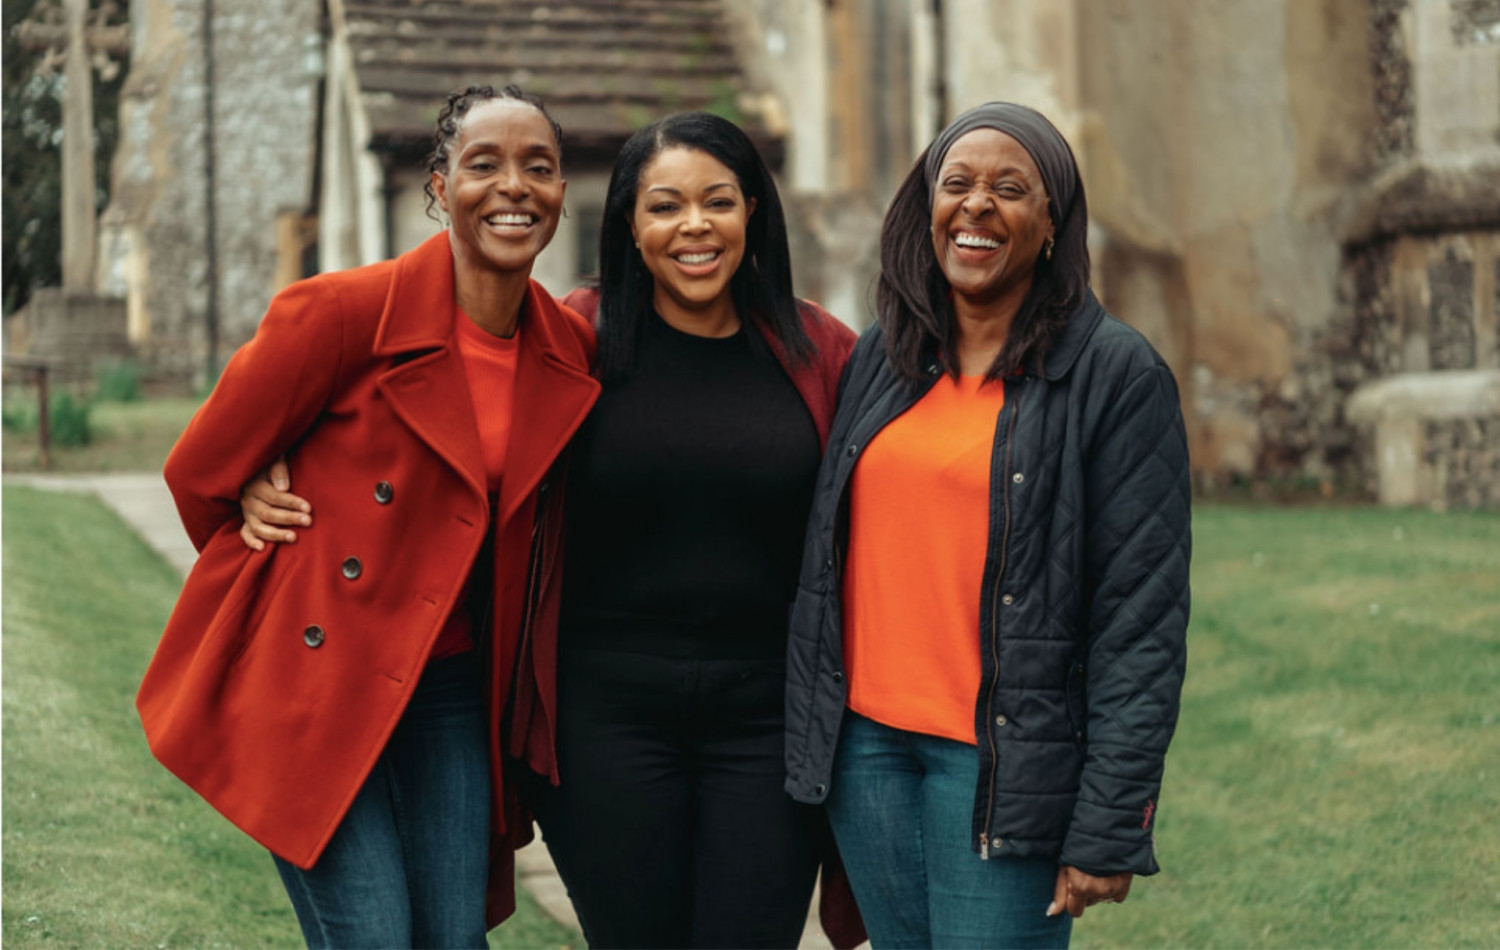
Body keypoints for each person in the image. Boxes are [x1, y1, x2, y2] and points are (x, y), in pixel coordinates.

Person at [240, 112, 865, 950]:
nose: (693, 227)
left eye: (717, 202)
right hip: (602, 719)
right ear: (628, 227)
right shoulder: (572, 338)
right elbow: (445, 425)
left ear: (753, 211)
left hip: (769, 721)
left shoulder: (821, 352)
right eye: (664, 206)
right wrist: (268, 468)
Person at [138, 84, 599, 949]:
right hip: (320, 680)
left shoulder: (566, 350)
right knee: (374, 937)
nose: (514, 187)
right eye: (484, 164)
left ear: (562, 193)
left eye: (539, 167)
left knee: (453, 938)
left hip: (455, 692)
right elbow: (200, 471)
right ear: (439, 185)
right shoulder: (343, 314)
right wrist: (259, 515)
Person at [783, 102, 1192, 949]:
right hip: (867, 756)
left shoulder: (1115, 375)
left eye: (1010, 188)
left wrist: (1110, 820)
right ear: (927, 210)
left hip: (1001, 769)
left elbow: (1140, 619)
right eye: (957, 184)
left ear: (1051, 225)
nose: (976, 206)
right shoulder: (883, 358)